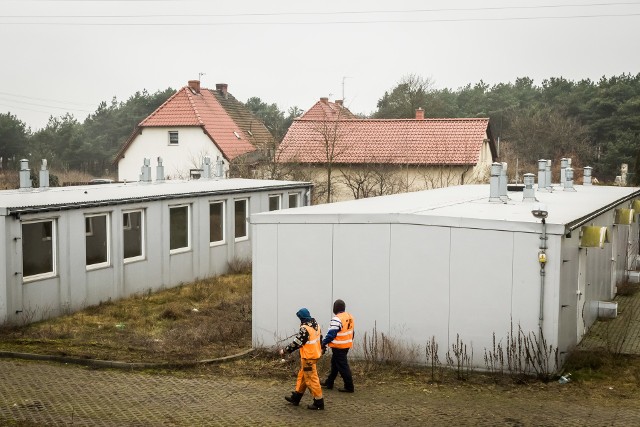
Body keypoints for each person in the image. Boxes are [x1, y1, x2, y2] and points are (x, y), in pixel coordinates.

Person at [280, 308, 324, 410]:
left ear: (301, 318)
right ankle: (296, 397)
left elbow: (297, 343)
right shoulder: (316, 326)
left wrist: (285, 351)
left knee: (311, 380)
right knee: (303, 376)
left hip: (308, 357)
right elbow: (320, 340)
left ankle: (319, 402)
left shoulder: (305, 329)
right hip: (314, 355)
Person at [321, 299, 354, 393]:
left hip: (339, 346)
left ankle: (349, 386)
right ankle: (329, 383)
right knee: (335, 365)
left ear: (335, 308)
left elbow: (331, 334)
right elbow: (352, 332)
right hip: (346, 345)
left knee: (343, 367)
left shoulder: (337, 319)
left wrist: (323, 343)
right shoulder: (349, 316)